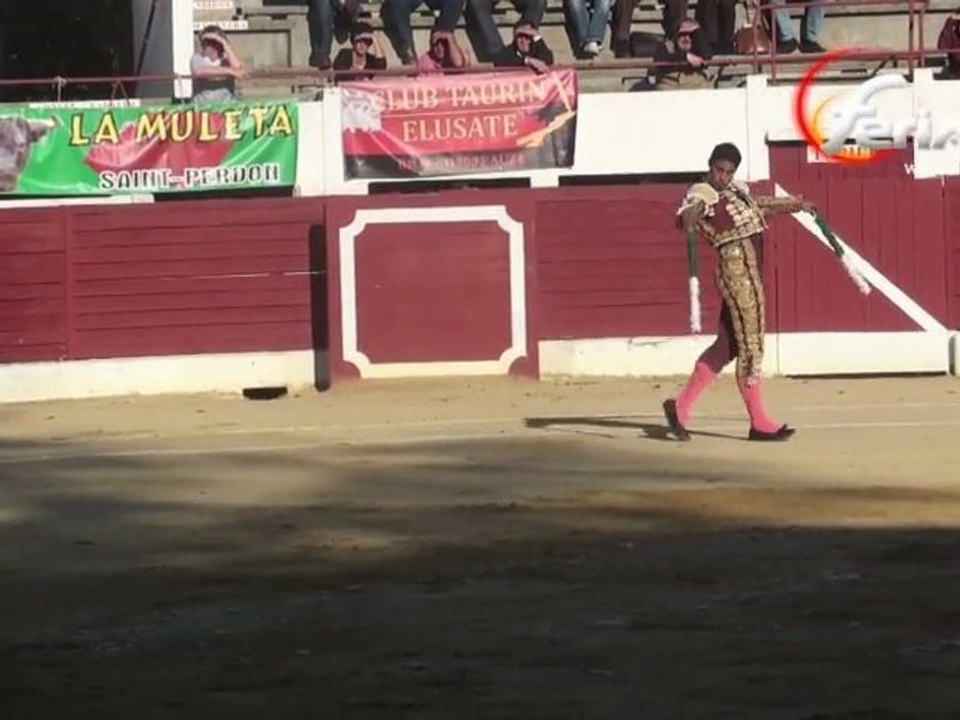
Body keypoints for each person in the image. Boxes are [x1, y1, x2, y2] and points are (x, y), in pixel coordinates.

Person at [664, 142, 815, 442]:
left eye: (728, 172)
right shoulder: (702, 192)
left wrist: (795, 205)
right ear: (710, 166)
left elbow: (757, 204)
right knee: (751, 346)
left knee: (727, 346)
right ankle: (759, 422)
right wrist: (690, 215)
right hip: (738, 278)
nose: (722, 177)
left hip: (749, 275)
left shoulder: (736, 189)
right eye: (718, 170)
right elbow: (691, 210)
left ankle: (679, 409)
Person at [189, 25, 245, 103]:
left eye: (214, 43)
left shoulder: (226, 59)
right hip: (203, 109)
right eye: (207, 43)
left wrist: (224, 43)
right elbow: (199, 72)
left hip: (226, 106)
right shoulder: (197, 57)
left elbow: (238, 69)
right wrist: (230, 71)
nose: (210, 47)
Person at [652, 18, 712, 90]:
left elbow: (707, 56)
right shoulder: (664, 46)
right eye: (682, 34)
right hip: (669, 86)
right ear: (676, 35)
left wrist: (697, 31)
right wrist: (686, 57)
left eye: (691, 34)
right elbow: (661, 59)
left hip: (696, 86)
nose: (686, 38)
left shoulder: (700, 47)